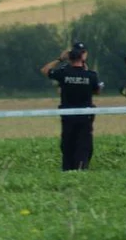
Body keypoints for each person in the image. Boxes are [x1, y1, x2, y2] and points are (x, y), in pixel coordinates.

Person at [40, 42, 103, 170]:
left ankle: (68, 170)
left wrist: (59, 59)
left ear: (69, 57)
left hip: (68, 117)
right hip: (85, 117)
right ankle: (81, 169)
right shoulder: (91, 75)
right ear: (83, 57)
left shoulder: (64, 73)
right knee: (84, 146)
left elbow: (45, 70)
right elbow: (97, 91)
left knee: (68, 145)